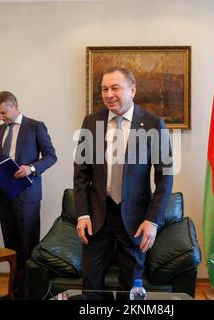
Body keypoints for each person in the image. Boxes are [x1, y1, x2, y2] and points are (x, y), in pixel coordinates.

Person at [73, 67, 173, 290]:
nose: (109, 94)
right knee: (91, 286)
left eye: (115, 88)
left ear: (132, 90)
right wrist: (82, 213)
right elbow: (81, 173)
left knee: (132, 287)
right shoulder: (91, 122)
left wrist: (153, 220)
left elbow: (164, 177)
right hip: (97, 217)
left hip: (136, 220)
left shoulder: (154, 124)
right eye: (104, 89)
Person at [0, 91, 57, 299]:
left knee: (29, 246)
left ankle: (31, 294)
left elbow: (51, 156)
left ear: (15, 105)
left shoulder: (35, 126)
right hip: (4, 195)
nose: (0, 118)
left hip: (27, 195)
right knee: (11, 246)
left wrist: (30, 169)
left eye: (3, 113)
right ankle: (14, 293)